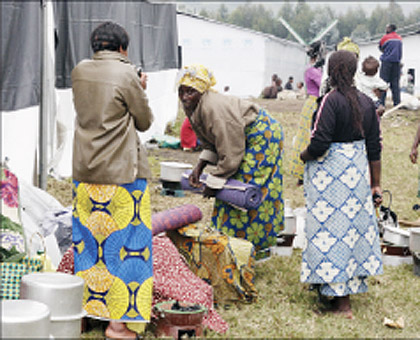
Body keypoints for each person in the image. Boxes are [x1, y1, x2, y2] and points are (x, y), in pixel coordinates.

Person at [71, 22, 154, 339]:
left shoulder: (80, 70)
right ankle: (118, 326)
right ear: (122, 48)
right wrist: (140, 87)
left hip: (86, 174)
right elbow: (144, 122)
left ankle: (86, 313)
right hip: (122, 177)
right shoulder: (126, 74)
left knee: (90, 246)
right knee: (130, 247)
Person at [299, 50, 383, 319]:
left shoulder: (330, 101)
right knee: (349, 232)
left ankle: (341, 305)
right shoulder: (367, 103)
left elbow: (321, 143)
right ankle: (330, 290)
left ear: (332, 71)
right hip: (357, 175)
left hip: (331, 176)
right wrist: (376, 185)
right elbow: (374, 147)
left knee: (330, 234)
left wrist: (304, 155)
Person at [177, 64, 284, 259]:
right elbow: (213, 141)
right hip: (240, 138)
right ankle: (227, 243)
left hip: (262, 136)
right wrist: (199, 168)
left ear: (202, 91)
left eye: (190, 91)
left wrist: (214, 181)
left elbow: (231, 153)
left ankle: (255, 249)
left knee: (246, 189)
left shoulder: (213, 109)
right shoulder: (193, 106)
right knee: (230, 190)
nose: (184, 97)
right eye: (181, 91)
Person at [289, 41, 323, 185]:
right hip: (313, 103)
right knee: (308, 137)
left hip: (315, 102)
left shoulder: (314, 69)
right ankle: (303, 174)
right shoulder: (312, 70)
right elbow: (323, 84)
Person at [378, 24, 403, 107]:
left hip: (387, 62)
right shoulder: (399, 38)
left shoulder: (385, 37)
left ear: (389, 29)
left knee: (383, 83)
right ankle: (397, 103)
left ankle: (381, 103)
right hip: (396, 63)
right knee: (395, 83)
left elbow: (380, 47)